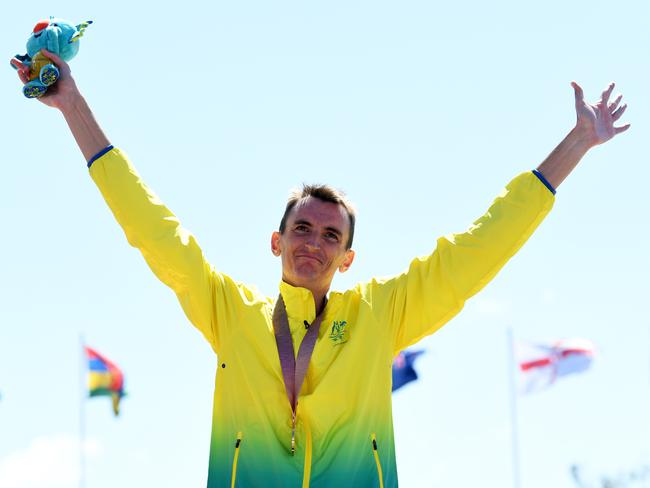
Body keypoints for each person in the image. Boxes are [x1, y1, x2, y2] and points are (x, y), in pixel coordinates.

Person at [11, 48, 629, 488]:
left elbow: (480, 246)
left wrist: (574, 145)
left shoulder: (381, 314)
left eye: (331, 235)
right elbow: (150, 228)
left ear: (348, 257)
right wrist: (73, 108)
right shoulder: (228, 311)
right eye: (301, 228)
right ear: (275, 243)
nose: (315, 241)